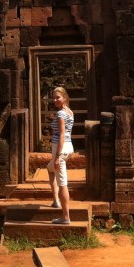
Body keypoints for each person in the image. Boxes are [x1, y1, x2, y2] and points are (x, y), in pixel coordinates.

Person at [47, 85, 74, 225]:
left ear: (65, 97)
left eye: (58, 97)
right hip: (68, 147)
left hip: (60, 148)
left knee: (63, 183)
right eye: (54, 97)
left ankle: (65, 217)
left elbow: (62, 134)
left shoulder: (61, 114)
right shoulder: (69, 112)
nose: (55, 100)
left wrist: (57, 156)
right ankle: (56, 200)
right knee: (50, 168)